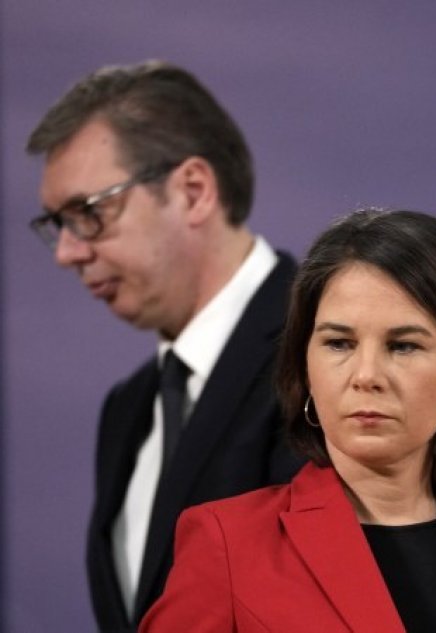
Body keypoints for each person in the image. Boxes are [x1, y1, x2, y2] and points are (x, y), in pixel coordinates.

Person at [139, 208, 436, 632]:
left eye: (403, 346)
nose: (366, 375)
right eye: (339, 343)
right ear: (306, 365)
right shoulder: (227, 544)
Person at [26, 60, 304, 632]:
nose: (67, 253)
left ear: (193, 192)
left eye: (88, 214)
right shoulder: (127, 410)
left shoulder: (326, 356)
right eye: (58, 225)